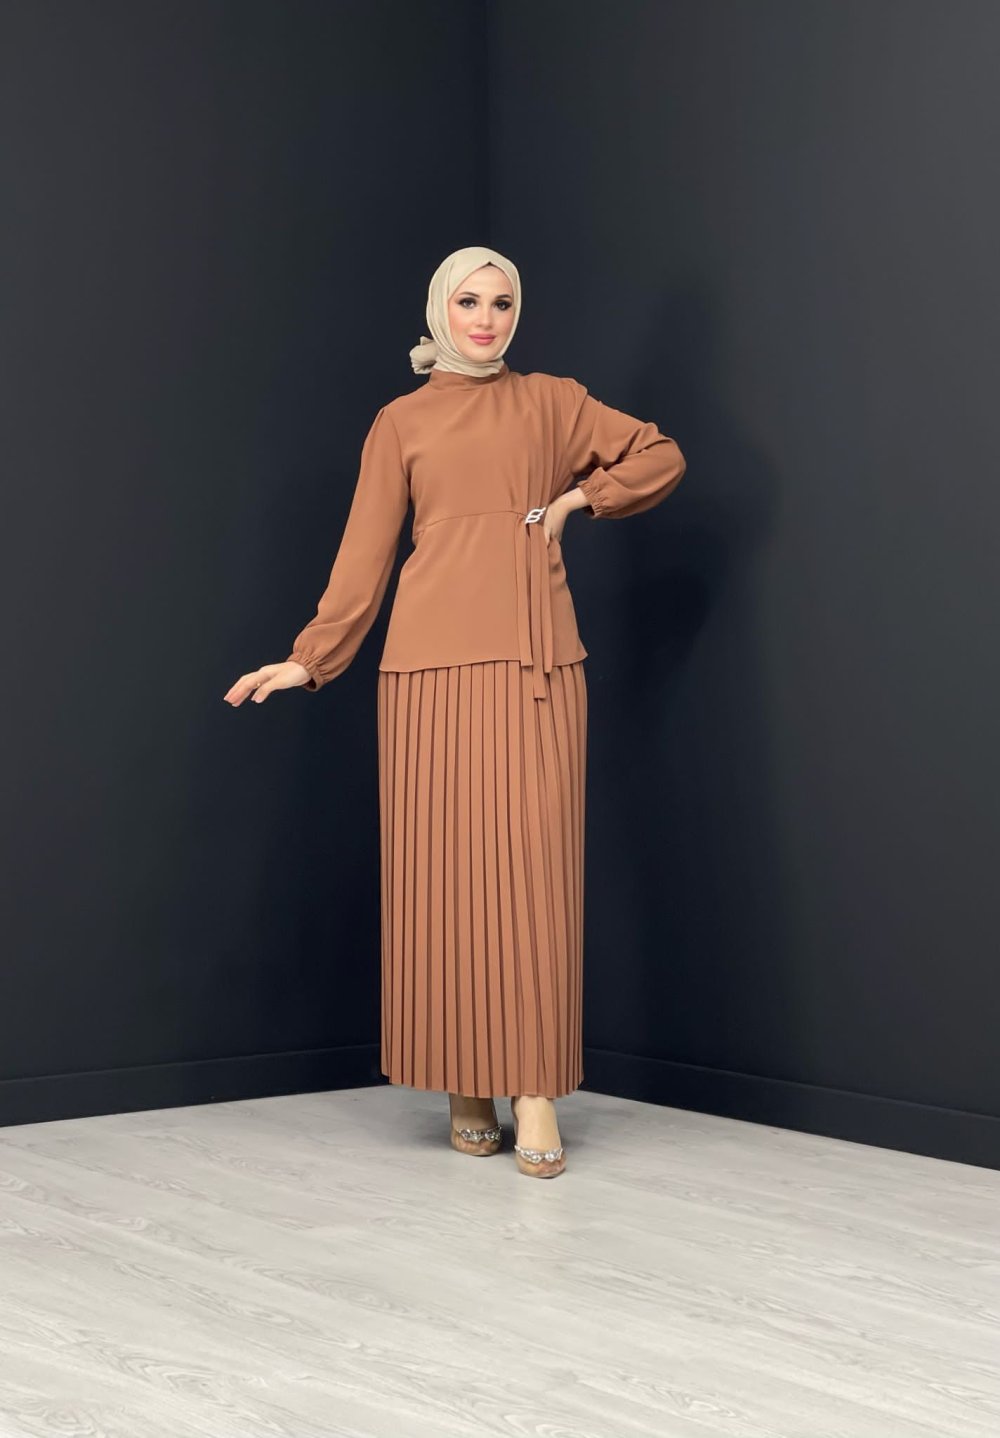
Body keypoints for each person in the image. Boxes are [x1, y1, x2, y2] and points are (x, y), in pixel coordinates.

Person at [224, 246, 686, 1178]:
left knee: (534, 880)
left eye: (502, 302)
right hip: (427, 673)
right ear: (441, 309)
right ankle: (464, 1083)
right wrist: (311, 658)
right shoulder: (400, 420)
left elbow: (659, 454)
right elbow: (365, 554)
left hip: (536, 664)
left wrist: (576, 502)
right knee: (441, 882)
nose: (486, 318)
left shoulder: (553, 402)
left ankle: (533, 1088)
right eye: (469, 301)